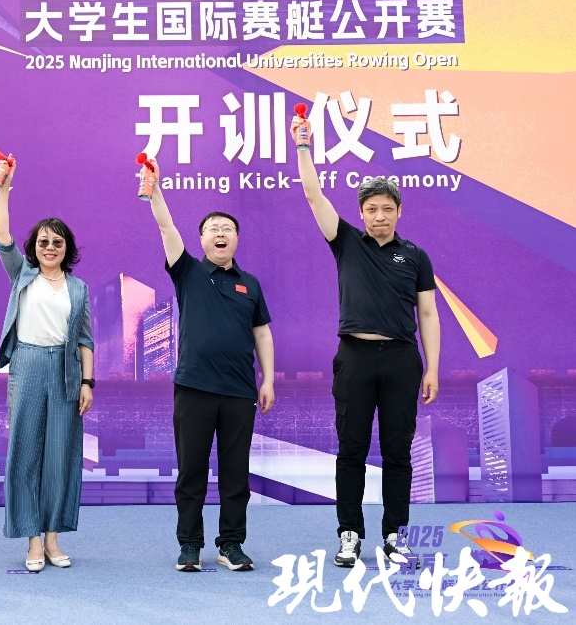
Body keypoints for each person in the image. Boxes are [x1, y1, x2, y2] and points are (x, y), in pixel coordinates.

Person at [292, 113, 440, 568]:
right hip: (354, 357)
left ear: (399, 212)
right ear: (361, 213)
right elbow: (313, 194)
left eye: (387, 209)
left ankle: (395, 535)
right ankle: (350, 534)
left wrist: (432, 367)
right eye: (372, 209)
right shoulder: (346, 242)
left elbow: (428, 313)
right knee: (351, 450)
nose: (379, 216)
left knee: (398, 452)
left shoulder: (415, 256)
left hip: (401, 359)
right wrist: (303, 147)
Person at [144, 157, 275, 573]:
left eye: (227, 229)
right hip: (194, 388)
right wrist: (155, 189)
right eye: (213, 229)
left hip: (239, 391)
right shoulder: (187, 273)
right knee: (192, 472)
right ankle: (189, 545)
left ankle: (231, 544)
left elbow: (262, 334)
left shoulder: (250, 283)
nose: (220, 233)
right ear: (201, 240)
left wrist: (268, 380)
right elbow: (166, 226)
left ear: (237, 239)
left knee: (236, 474)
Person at [0, 161, 94, 572]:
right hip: (28, 364)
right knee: (25, 451)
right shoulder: (22, 274)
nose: (50, 247)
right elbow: (2, 235)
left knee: (60, 456)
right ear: (33, 247)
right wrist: (5, 188)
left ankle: (52, 537)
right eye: (43, 242)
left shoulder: (79, 288)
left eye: (57, 242)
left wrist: (87, 382)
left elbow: (85, 339)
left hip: (67, 372)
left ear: (67, 248)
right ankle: (32, 539)